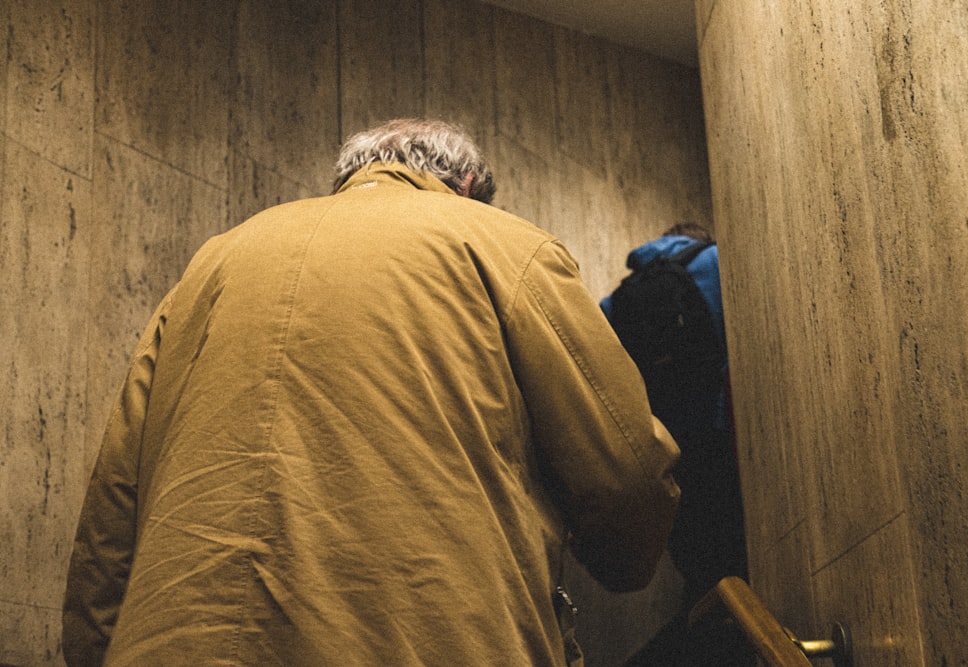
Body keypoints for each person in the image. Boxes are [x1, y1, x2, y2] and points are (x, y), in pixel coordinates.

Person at [62, 118, 682, 666]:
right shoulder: (503, 244)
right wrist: (625, 562)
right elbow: (625, 467)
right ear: (468, 187)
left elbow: (113, 508)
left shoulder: (211, 265)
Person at [601, 224, 752, 666]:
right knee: (742, 572)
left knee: (702, 576)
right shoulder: (721, 262)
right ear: (697, 236)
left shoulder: (617, 302)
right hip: (726, 446)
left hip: (672, 460)